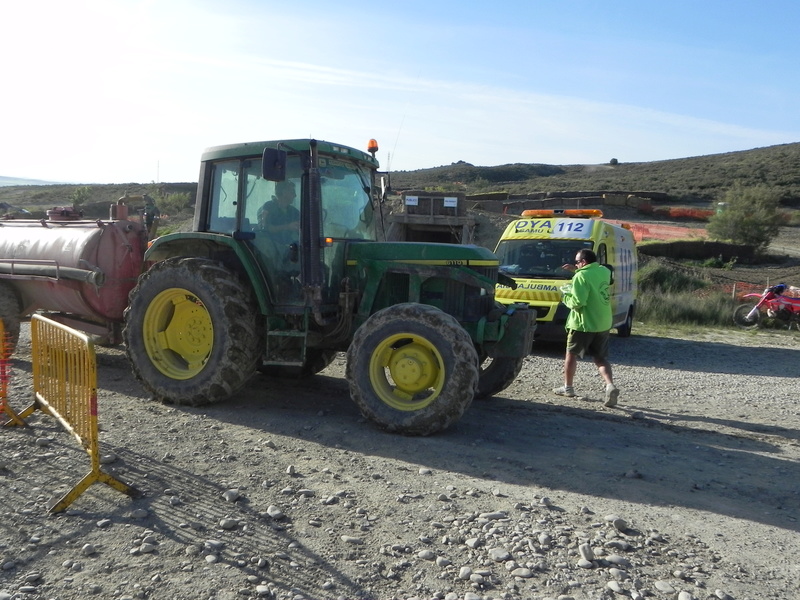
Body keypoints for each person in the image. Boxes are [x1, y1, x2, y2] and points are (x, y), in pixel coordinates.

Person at [553, 248, 620, 407]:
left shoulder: (581, 276)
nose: (575, 265)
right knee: (600, 358)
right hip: (603, 322)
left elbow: (578, 302)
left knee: (571, 354)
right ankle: (610, 385)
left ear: (583, 262)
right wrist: (575, 271)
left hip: (583, 323)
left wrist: (565, 296)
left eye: (577, 262)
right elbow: (596, 279)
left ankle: (568, 387)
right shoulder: (603, 271)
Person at [257, 180, 300, 246]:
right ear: (284, 192)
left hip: (289, 247)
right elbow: (266, 228)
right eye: (292, 192)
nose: (295, 195)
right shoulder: (268, 207)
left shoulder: (293, 211)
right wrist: (288, 227)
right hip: (270, 247)